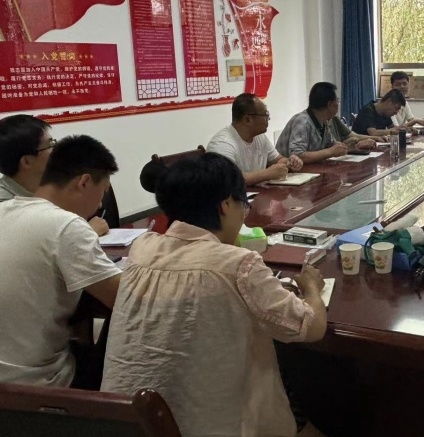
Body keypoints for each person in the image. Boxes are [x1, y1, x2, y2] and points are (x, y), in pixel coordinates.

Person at [101, 153, 327, 437]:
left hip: (121, 422)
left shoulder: (142, 248)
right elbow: (311, 327)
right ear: (225, 205)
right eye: (243, 205)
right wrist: (311, 289)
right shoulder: (238, 264)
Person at [0, 135, 121, 388]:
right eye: (102, 192)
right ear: (84, 182)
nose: (101, 204)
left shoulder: (6, 208)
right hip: (35, 384)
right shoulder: (66, 225)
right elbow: (124, 299)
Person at [0, 114, 109, 235]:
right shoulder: (5, 207)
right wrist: (88, 231)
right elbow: (38, 240)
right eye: (50, 145)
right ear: (26, 161)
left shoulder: (55, 184)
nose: (57, 150)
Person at [207, 93, 303, 186]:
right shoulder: (222, 143)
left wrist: (290, 162)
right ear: (247, 119)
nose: (268, 118)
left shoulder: (259, 136)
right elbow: (229, 180)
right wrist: (267, 174)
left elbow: (278, 160)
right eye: (265, 114)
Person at [276, 82, 382, 164]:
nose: (338, 104)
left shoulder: (324, 121)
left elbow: (333, 145)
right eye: (337, 101)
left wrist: (355, 145)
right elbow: (297, 155)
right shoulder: (302, 122)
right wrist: (330, 152)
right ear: (330, 104)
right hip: (289, 175)